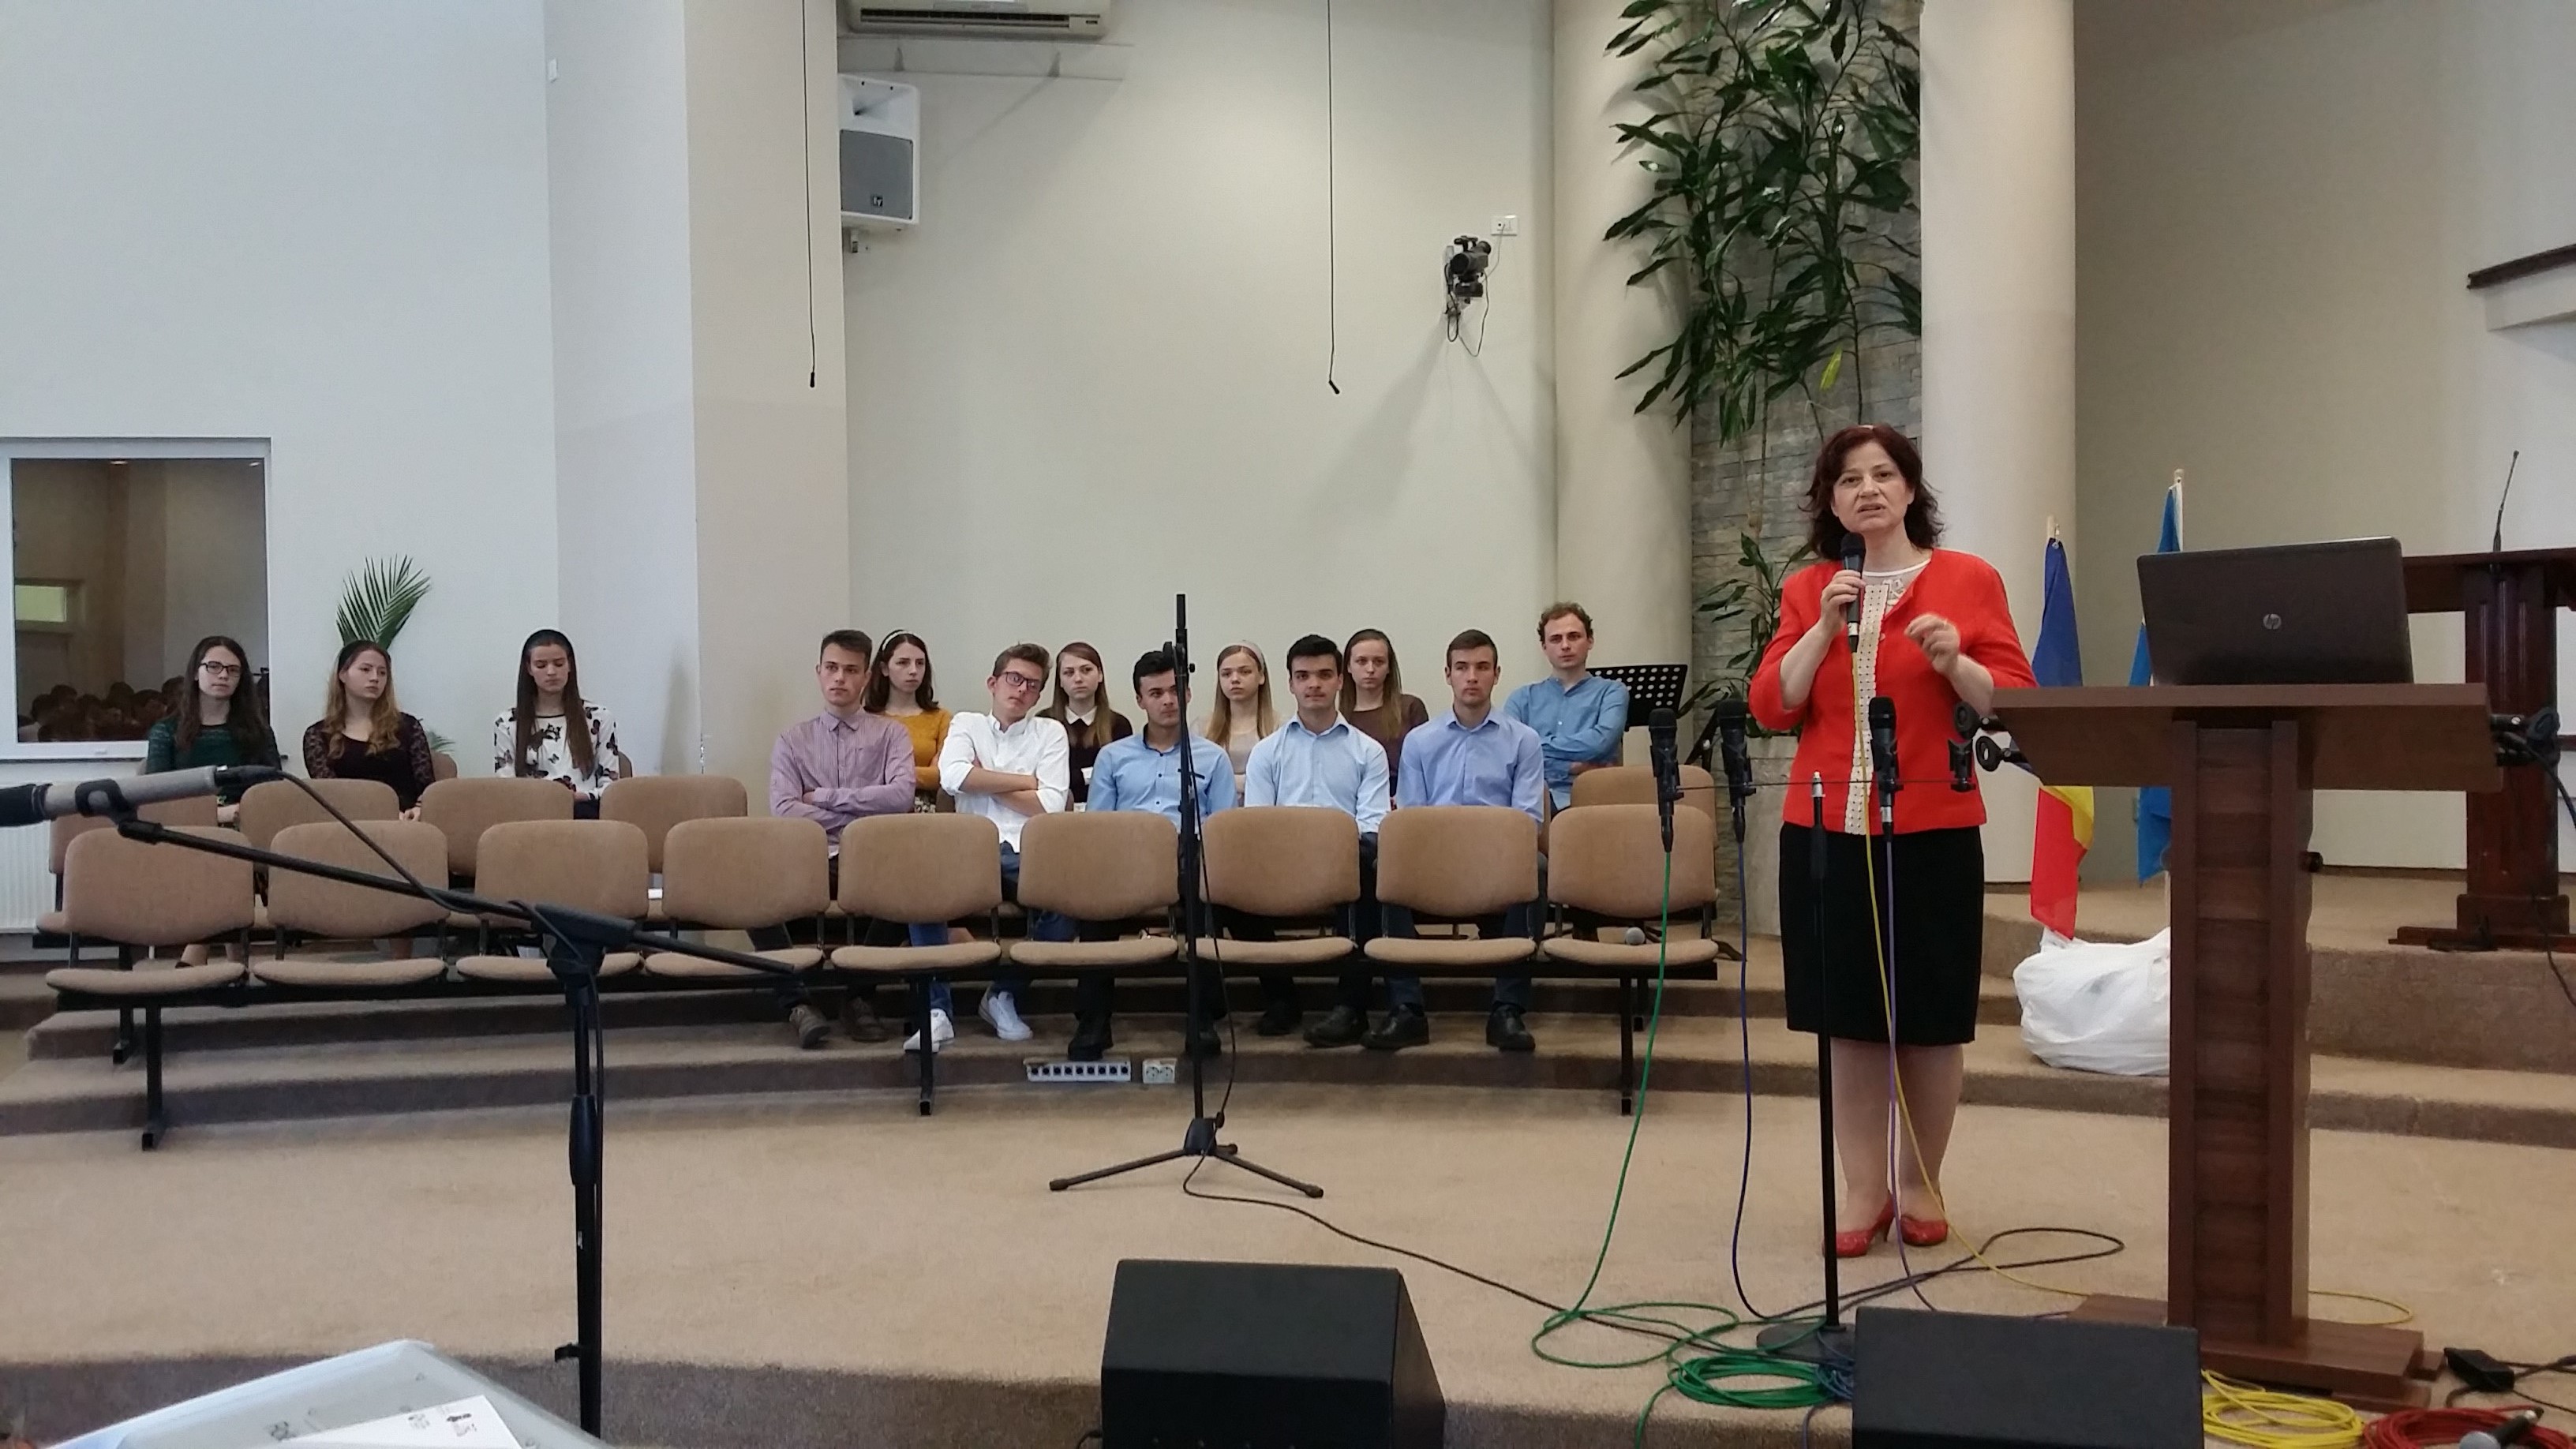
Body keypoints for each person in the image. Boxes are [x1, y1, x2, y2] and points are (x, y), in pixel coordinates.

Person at [1750, 422, 2036, 1259]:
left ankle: (1921, 1182)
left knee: (1931, 1020)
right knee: (1850, 1020)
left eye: (1882, 475)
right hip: (1826, 830)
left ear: (1911, 490)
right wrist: (1819, 630)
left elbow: (2013, 701)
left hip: (1932, 827)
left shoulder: (1968, 578)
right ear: (1832, 503)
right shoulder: (1810, 588)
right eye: (1849, 480)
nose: (1867, 490)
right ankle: (1863, 1188)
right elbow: (1773, 705)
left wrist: (1954, 662)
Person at [1367, 628, 1547, 1053]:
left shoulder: (1523, 740)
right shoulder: (1420, 740)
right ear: (1447, 675)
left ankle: (1507, 1009)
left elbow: (1528, 821)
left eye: (1482, 667)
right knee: (1384, 872)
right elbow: (1412, 818)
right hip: (1434, 861)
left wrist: (1483, 848)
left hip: (1498, 860)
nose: (1472, 677)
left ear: (1497, 674)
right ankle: (1407, 1009)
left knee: (1537, 870)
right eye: (1462, 668)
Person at [1073, 648, 1237, 1061]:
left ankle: (1201, 1019)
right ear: (1140, 700)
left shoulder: (1212, 757)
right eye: (1156, 693)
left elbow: (1222, 828)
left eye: (1175, 691)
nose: (1168, 701)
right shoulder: (1113, 756)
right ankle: (1093, 1021)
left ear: (1188, 694)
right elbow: (1099, 826)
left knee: (1204, 892)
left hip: (1189, 853)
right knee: (1093, 902)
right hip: (1128, 854)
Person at [764, 629, 915, 1047]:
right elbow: (785, 809)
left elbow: (900, 798)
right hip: (811, 857)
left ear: (867, 677)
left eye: (850, 670)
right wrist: (862, 810)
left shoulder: (891, 735)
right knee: (755, 891)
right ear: (818, 672)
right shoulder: (792, 740)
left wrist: (825, 798)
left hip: (871, 858)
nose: (839, 678)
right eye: (831, 668)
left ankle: (858, 995)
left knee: (909, 886)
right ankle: (797, 1002)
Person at [1240, 635, 1389, 1046]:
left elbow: (1372, 823)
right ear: (1290, 683)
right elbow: (1258, 824)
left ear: (1341, 679)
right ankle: (1281, 997)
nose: (1314, 685)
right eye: (1303, 676)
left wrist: (1329, 852)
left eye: (1324, 674)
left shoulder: (1368, 751)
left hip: (1345, 864)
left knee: (1369, 865)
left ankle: (1351, 1008)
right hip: (1279, 866)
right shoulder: (1267, 752)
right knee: (1225, 880)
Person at [929, 643, 1073, 1050]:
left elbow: (1050, 805)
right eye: (1014, 679)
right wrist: (1026, 782)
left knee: (1070, 902)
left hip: (1029, 850)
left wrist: (985, 779)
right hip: (971, 849)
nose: (1022, 689)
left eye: (1033, 684)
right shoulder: (966, 724)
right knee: (921, 895)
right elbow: (953, 778)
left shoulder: (1050, 732)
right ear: (992, 683)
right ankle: (937, 1011)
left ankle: (1003, 994)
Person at [1504, 603, 1630, 812]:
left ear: (1590, 640)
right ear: (1544, 647)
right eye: (1556, 639)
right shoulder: (1521, 699)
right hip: (1533, 803)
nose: (1565, 646)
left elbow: (1601, 743)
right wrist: (1571, 767)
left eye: (1573, 637)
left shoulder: (1612, 693)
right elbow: (1510, 753)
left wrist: (1535, 747)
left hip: (1594, 803)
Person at [145, 635, 283, 825]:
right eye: (214, 666)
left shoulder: (260, 732)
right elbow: (155, 801)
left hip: (248, 825)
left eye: (233, 670)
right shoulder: (165, 732)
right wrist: (216, 814)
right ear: (196, 673)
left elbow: (273, 792)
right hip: (184, 829)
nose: (224, 675)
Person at [492, 629, 623, 815]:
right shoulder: (507, 723)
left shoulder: (599, 718)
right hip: (531, 813)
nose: (551, 672)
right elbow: (506, 786)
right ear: (529, 669)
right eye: (541, 665)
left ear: (570, 665)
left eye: (559, 664)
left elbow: (611, 785)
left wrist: (580, 797)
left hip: (585, 810)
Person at [303, 640, 437, 814]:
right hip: (352, 822)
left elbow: (428, 789)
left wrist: (418, 810)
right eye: (366, 669)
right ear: (343, 675)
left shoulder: (409, 726)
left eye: (382, 673)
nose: (375, 678)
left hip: (408, 821)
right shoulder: (318, 735)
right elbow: (331, 796)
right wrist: (384, 815)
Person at [1039, 640, 1133, 806]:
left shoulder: (1119, 724)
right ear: (1060, 681)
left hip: (1104, 812)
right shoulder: (1044, 722)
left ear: (1100, 675)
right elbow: (1041, 778)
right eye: (1069, 673)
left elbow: (1121, 778)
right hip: (1057, 812)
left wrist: (1074, 776)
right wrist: (1092, 774)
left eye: (1086, 670)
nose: (1078, 679)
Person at [863, 631, 950, 808]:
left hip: (926, 807)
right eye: (903, 663)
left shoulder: (941, 718)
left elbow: (944, 774)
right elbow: (858, 775)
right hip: (873, 807)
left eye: (920, 663)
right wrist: (919, 775)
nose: (913, 671)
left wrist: (888, 776)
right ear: (884, 669)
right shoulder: (864, 719)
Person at [1340, 628, 1429, 796]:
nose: (1370, 669)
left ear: (1389, 667)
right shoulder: (1339, 719)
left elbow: (1425, 765)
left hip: (1403, 799)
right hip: (1355, 800)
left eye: (1379, 662)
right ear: (1349, 667)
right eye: (1361, 661)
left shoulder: (1410, 707)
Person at [1200, 642, 1276, 792]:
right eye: (1226, 674)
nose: (1235, 679)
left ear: (1261, 676)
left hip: (1266, 805)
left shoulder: (1280, 727)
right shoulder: (1203, 728)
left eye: (1245, 672)